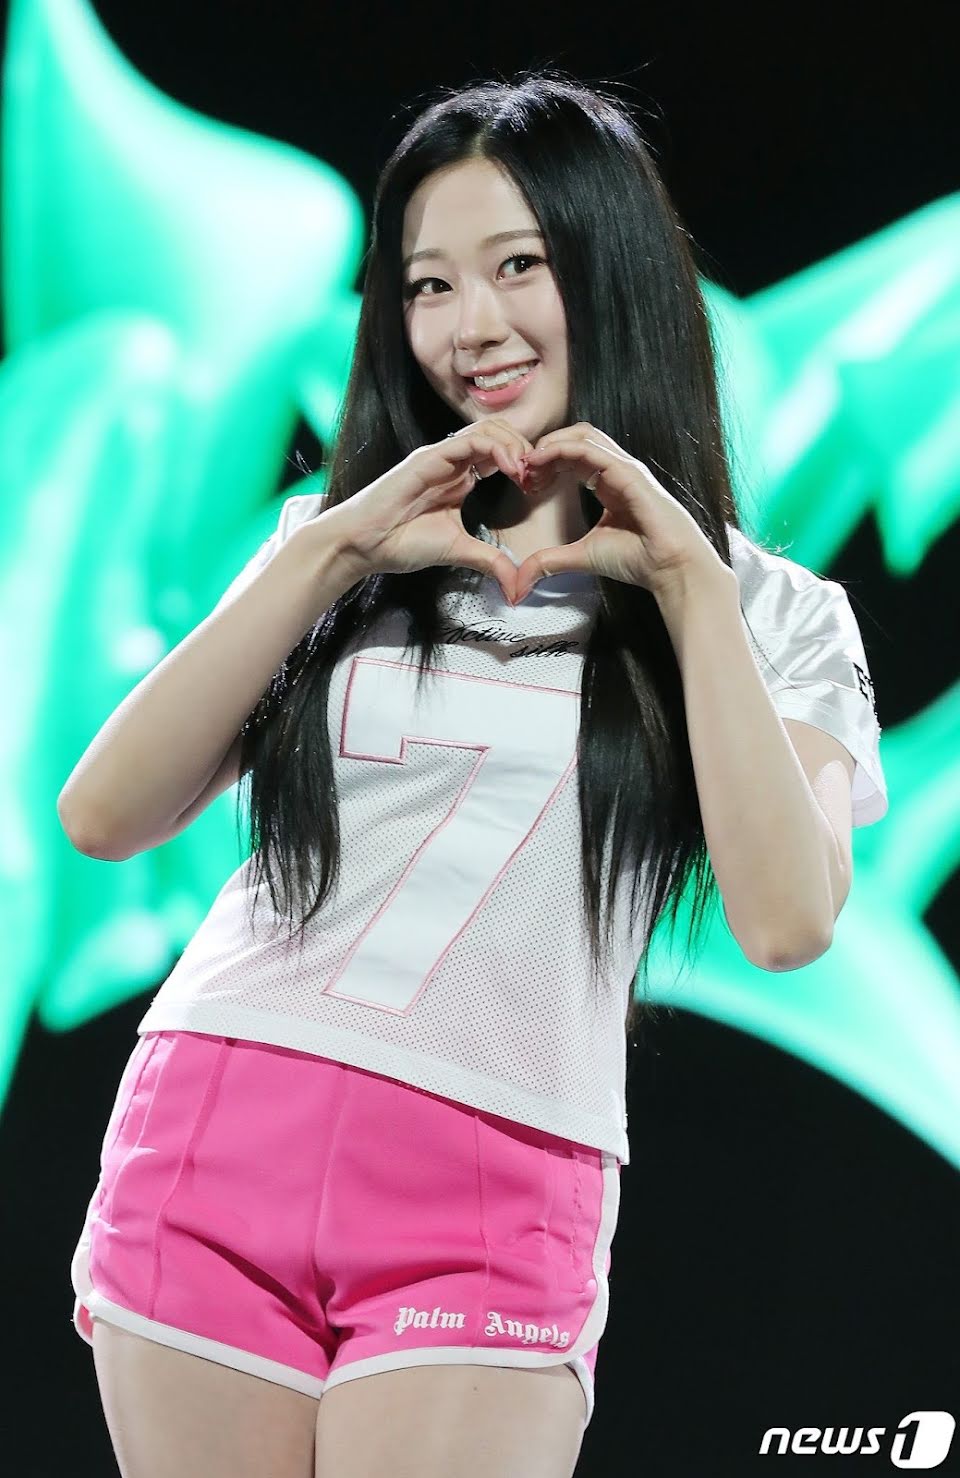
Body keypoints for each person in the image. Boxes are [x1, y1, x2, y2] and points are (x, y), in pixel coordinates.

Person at [61, 70, 887, 1478]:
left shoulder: (776, 613)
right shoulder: (339, 544)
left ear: (613, 272)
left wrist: (689, 583)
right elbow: (101, 813)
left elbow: (787, 917)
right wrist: (333, 546)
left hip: (497, 1174)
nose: (471, 326)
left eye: (518, 266)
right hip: (215, 1126)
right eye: (429, 285)